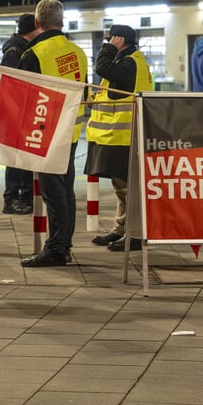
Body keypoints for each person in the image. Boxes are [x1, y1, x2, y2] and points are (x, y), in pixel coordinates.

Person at [17, 0, 88, 267]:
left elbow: (23, 100)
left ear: (37, 23)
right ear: (61, 22)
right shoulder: (78, 52)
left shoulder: (33, 54)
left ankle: (57, 248)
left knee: (53, 192)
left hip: (45, 133)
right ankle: (64, 244)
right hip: (70, 131)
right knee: (65, 189)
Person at [86, 25, 154, 251]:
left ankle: (134, 234)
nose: (107, 42)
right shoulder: (127, 59)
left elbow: (101, 67)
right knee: (121, 186)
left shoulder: (129, 62)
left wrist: (108, 49)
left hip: (125, 135)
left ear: (120, 39)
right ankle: (120, 229)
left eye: (111, 38)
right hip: (116, 135)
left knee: (128, 187)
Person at [0, 13, 38, 215]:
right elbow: (10, 82)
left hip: (24, 110)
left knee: (24, 157)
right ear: (33, 30)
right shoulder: (15, 50)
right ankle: (11, 199)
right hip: (16, 112)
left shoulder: (23, 48)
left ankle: (25, 196)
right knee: (15, 158)